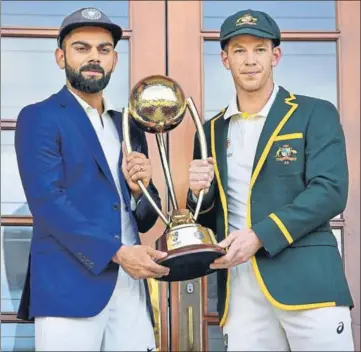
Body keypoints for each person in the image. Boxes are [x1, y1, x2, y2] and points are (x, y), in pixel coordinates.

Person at [187, 8, 354, 351]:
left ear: (275, 55)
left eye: (259, 49)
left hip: (309, 283)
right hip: (240, 290)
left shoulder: (314, 113)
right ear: (224, 59)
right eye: (239, 51)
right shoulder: (210, 131)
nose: (250, 60)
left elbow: (330, 191)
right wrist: (195, 195)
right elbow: (207, 217)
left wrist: (260, 236)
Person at [15, 7, 169, 351]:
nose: (93, 58)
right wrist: (116, 252)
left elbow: (146, 218)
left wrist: (140, 190)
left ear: (114, 59)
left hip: (131, 287)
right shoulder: (39, 116)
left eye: (103, 50)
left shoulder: (128, 124)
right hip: (68, 287)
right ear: (61, 57)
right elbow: (47, 201)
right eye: (81, 48)